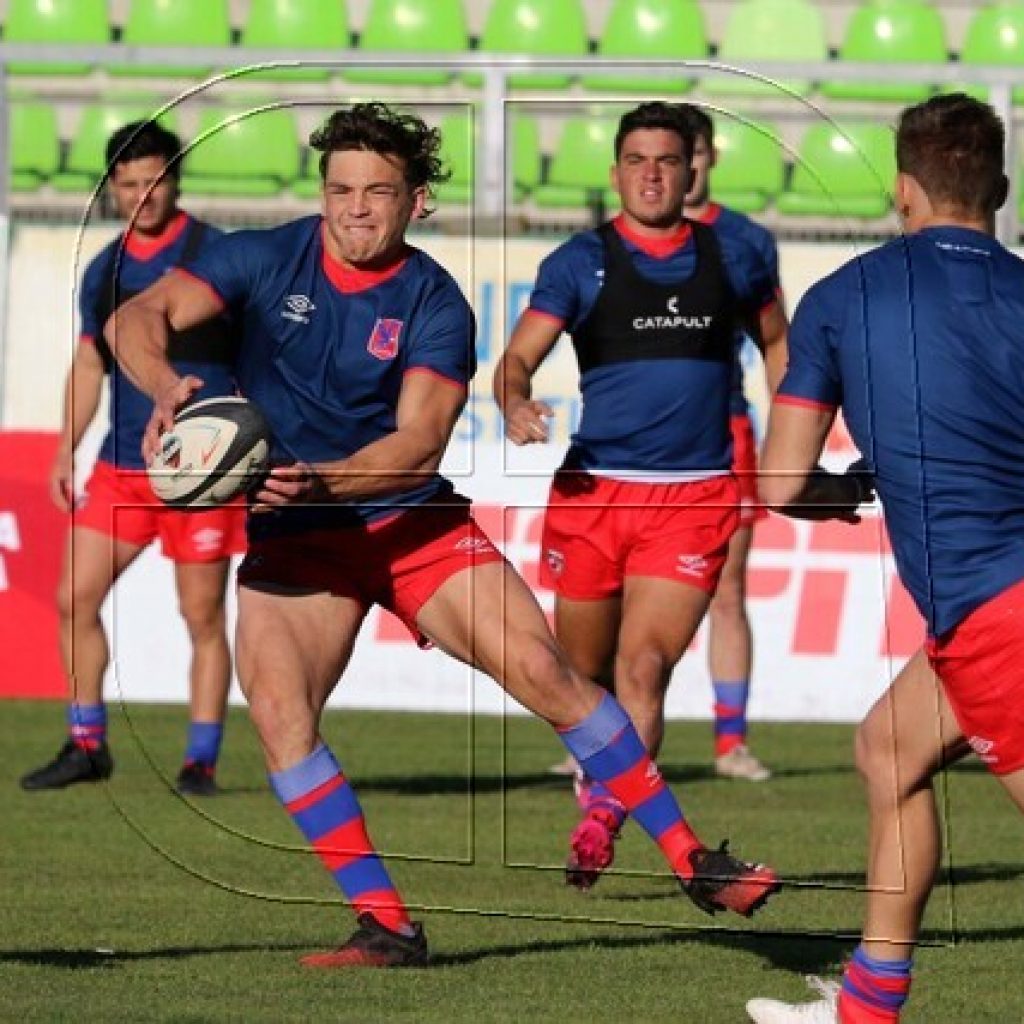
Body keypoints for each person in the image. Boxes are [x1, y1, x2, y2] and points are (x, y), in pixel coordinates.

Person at [108, 102, 780, 968]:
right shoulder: (265, 256)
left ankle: (696, 860)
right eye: (340, 189)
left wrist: (321, 480)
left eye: (378, 191)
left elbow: (418, 440)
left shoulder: (433, 301)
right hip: (299, 544)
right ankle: (388, 926)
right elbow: (138, 316)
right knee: (280, 719)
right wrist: (165, 386)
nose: (355, 208)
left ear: (415, 201)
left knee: (547, 674)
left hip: (409, 523)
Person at [747, 93, 1024, 1023]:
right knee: (887, 750)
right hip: (991, 606)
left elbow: (782, 483)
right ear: (1002, 191)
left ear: (902, 191)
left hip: (996, 608)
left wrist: (844, 490)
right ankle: (866, 1009)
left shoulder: (841, 298)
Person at [494, 101, 788, 890]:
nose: (653, 174)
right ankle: (609, 781)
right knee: (580, 675)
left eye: (667, 160)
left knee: (647, 666)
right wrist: (514, 402)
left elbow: (779, 347)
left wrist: (799, 433)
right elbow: (517, 358)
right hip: (595, 494)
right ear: (617, 170)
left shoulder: (737, 257)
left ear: (692, 170)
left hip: (693, 495)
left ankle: (603, 813)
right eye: (637, 161)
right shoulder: (577, 263)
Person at [20, 121, 245, 797]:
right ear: (110, 188)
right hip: (122, 467)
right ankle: (88, 743)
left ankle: (200, 760)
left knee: (201, 616)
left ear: (174, 177)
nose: (140, 195)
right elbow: (89, 364)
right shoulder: (104, 268)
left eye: (152, 180)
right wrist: (66, 445)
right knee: (71, 598)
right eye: (126, 184)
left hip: (200, 472)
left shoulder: (217, 256)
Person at [683, 105, 781, 783]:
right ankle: (603, 741)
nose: (676, 170)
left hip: (726, 431)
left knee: (727, 588)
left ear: (709, 157)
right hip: (640, 443)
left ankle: (730, 743)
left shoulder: (744, 241)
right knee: (624, 597)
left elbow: (778, 341)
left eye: (686, 155)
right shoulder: (617, 242)